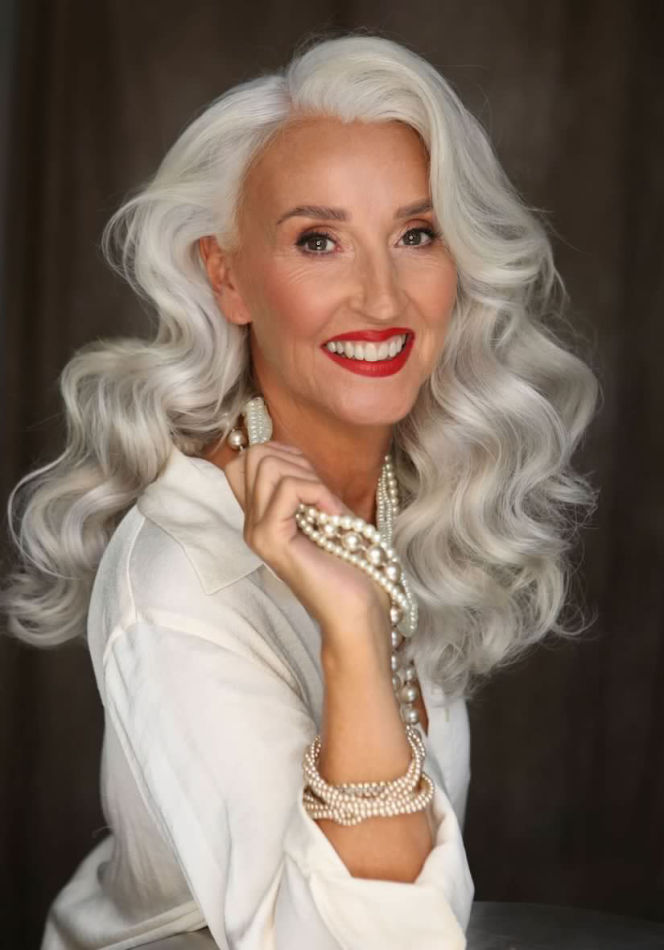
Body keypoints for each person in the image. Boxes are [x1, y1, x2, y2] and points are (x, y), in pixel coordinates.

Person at [1, 30, 599, 950]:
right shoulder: (180, 580)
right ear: (228, 277)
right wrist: (353, 637)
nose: (382, 297)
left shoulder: (403, 492)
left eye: (416, 234)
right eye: (319, 241)